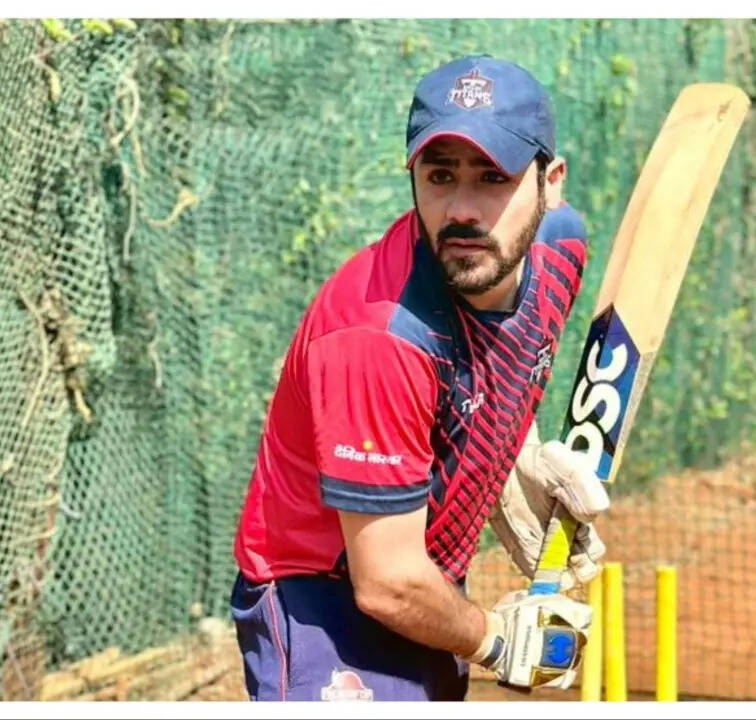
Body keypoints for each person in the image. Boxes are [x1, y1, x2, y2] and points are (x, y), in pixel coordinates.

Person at [230, 54, 611, 702]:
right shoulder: (377, 337)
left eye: (493, 178)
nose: (462, 211)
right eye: (439, 176)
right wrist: (498, 638)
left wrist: (515, 458)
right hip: (325, 595)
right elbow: (386, 583)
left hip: (426, 566)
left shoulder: (560, 251)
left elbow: (494, 365)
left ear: (551, 184)